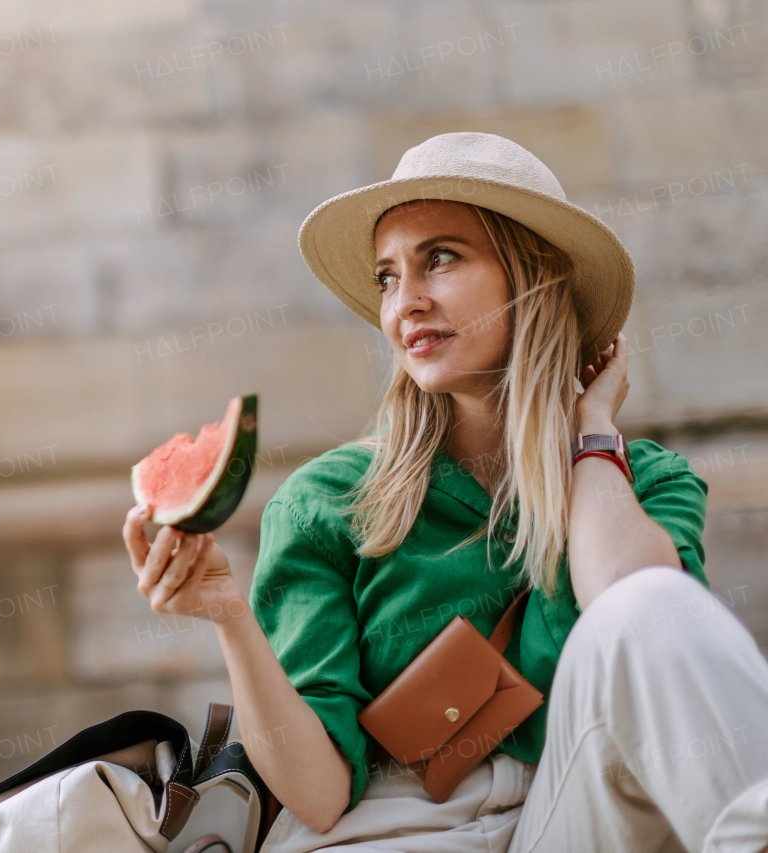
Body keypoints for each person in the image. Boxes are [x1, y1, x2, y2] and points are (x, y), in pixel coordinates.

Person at [122, 133, 768, 852]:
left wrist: (591, 433)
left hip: (573, 810)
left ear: (532, 277)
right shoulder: (328, 499)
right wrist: (229, 617)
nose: (407, 302)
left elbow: (634, 601)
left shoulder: (641, 479)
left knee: (651, 601)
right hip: (395, 831)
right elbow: (318, 792)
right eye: (388, 277)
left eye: (440, 258)